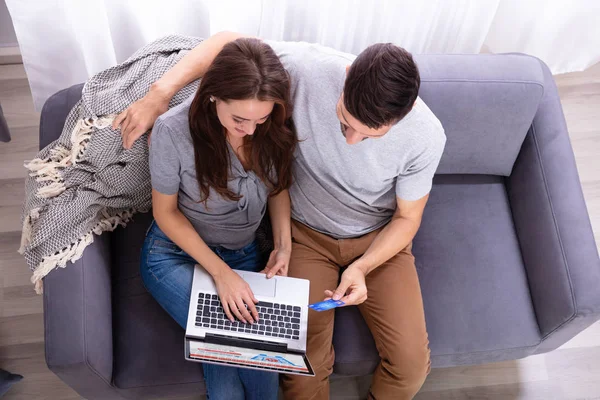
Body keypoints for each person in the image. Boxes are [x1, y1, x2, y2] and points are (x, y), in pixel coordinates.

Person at [116, 32, 446, 400]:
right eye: (344, 121)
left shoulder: (425, 136)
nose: (350, 141)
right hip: (286, 238)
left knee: (410, 367)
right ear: (347, 74)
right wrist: (159, 94)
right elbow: (230, 44)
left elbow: (405, 218)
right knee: (285, 370)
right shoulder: (304, 72)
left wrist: (358, 266)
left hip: (373, 240)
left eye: (369, 136)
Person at [134, 38, 297, 400]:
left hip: (244, 256)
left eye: (261, 118)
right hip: (177, 254)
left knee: (263, 374)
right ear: (213, 96)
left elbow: (278, 189)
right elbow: (165, 212)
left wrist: (284, 247)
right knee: (232, 351)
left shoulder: (270, 125)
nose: (251, 129)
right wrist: (221, 275)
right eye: (239, 118)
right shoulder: (172, 132)